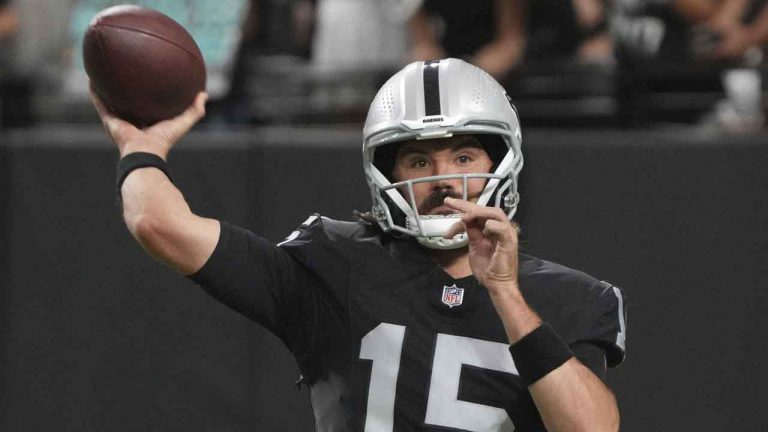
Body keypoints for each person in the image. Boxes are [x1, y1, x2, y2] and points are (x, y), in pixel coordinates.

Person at [92, 58, 627, 431]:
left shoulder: (569, 298)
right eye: (419, 161)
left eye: (463, 157)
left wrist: (506, 294)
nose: (441, 180)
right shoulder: (335, 264)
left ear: (500, 164)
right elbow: (158, 225)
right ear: (384, 175)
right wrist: (142, 148)